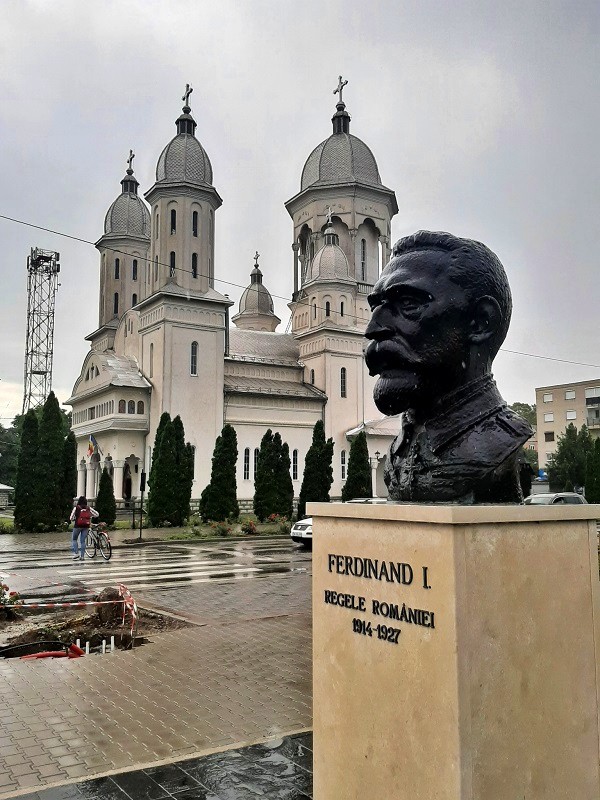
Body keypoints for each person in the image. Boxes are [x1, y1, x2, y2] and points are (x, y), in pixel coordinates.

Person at [364, 230, 532, 504]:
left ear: (480, 322)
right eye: (378, 306)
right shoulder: (401, 448)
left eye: (408, 304)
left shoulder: (499, 442)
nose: (373, 329)